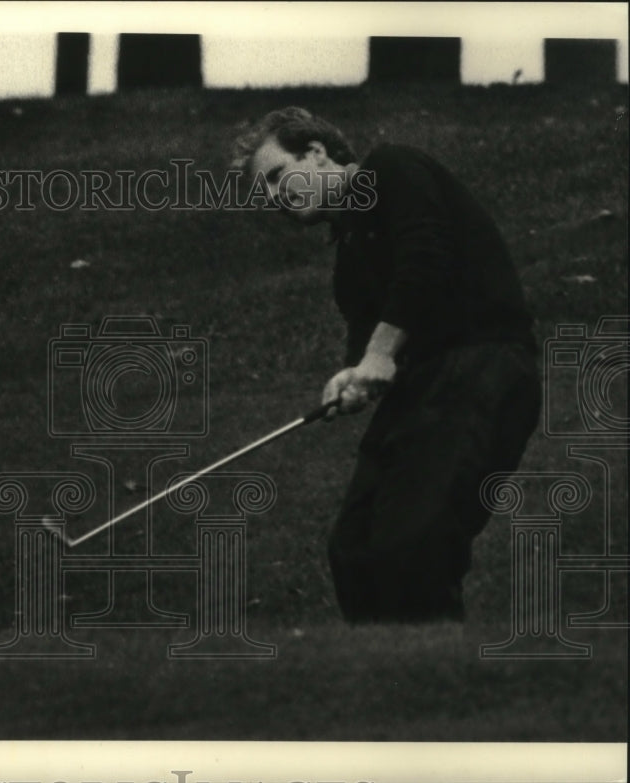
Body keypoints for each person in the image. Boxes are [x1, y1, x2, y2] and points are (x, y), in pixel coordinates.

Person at [231, 107, 541, 623]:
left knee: (411, 544)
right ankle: (386, 686)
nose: (272, 197)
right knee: (353, 548)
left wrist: (377, 356)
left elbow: (425, 257)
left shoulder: (389, 170)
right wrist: (352, 380)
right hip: (420, 393)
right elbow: (367, 350)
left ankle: (436, 686)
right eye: (263, 191)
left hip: (480, 367)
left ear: (316, 153)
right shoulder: (349, 259)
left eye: (277, 176)